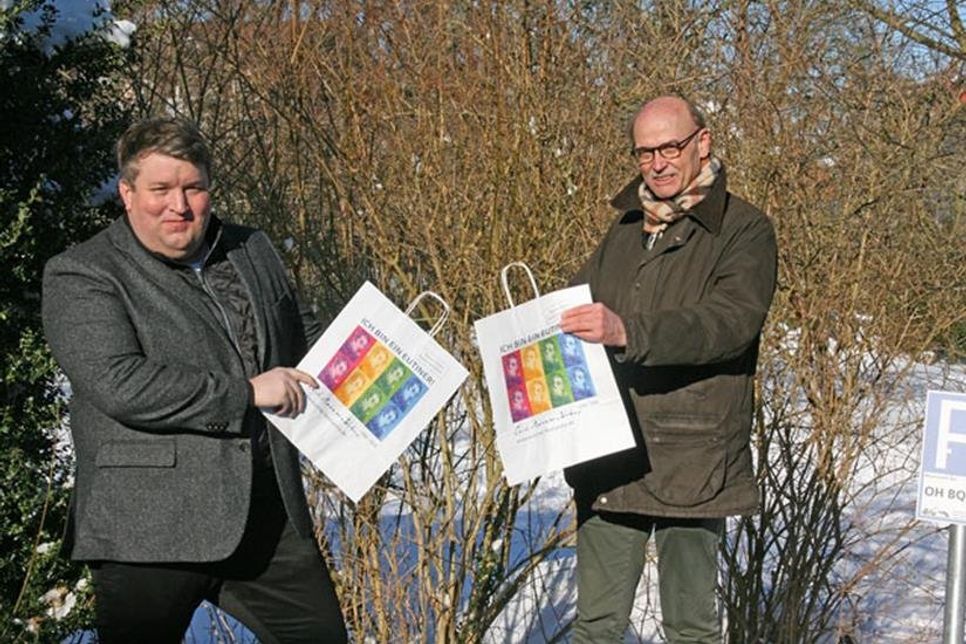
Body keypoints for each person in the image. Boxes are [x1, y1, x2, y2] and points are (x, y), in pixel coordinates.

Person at [41, 117, 348, 643]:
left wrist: (386, 354)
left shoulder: (251, 248)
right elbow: (121, 383)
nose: (179, 206)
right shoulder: (82, 273)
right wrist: (248, 392)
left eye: (194, 188)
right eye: (161, 189)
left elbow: (302, 338)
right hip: (148, 526)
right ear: (128, 192)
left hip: (265, 514)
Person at [560, 95, 777, 643]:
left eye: (669, 147)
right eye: (644, 153)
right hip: (613, 451)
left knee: (691, 631)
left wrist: (628, 331)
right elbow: (577, 307)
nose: (656, 163)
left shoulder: (745, 230)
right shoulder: (625, 229)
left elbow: (727, 324)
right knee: (596, 628)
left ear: (702, 143)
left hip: (693, 454)